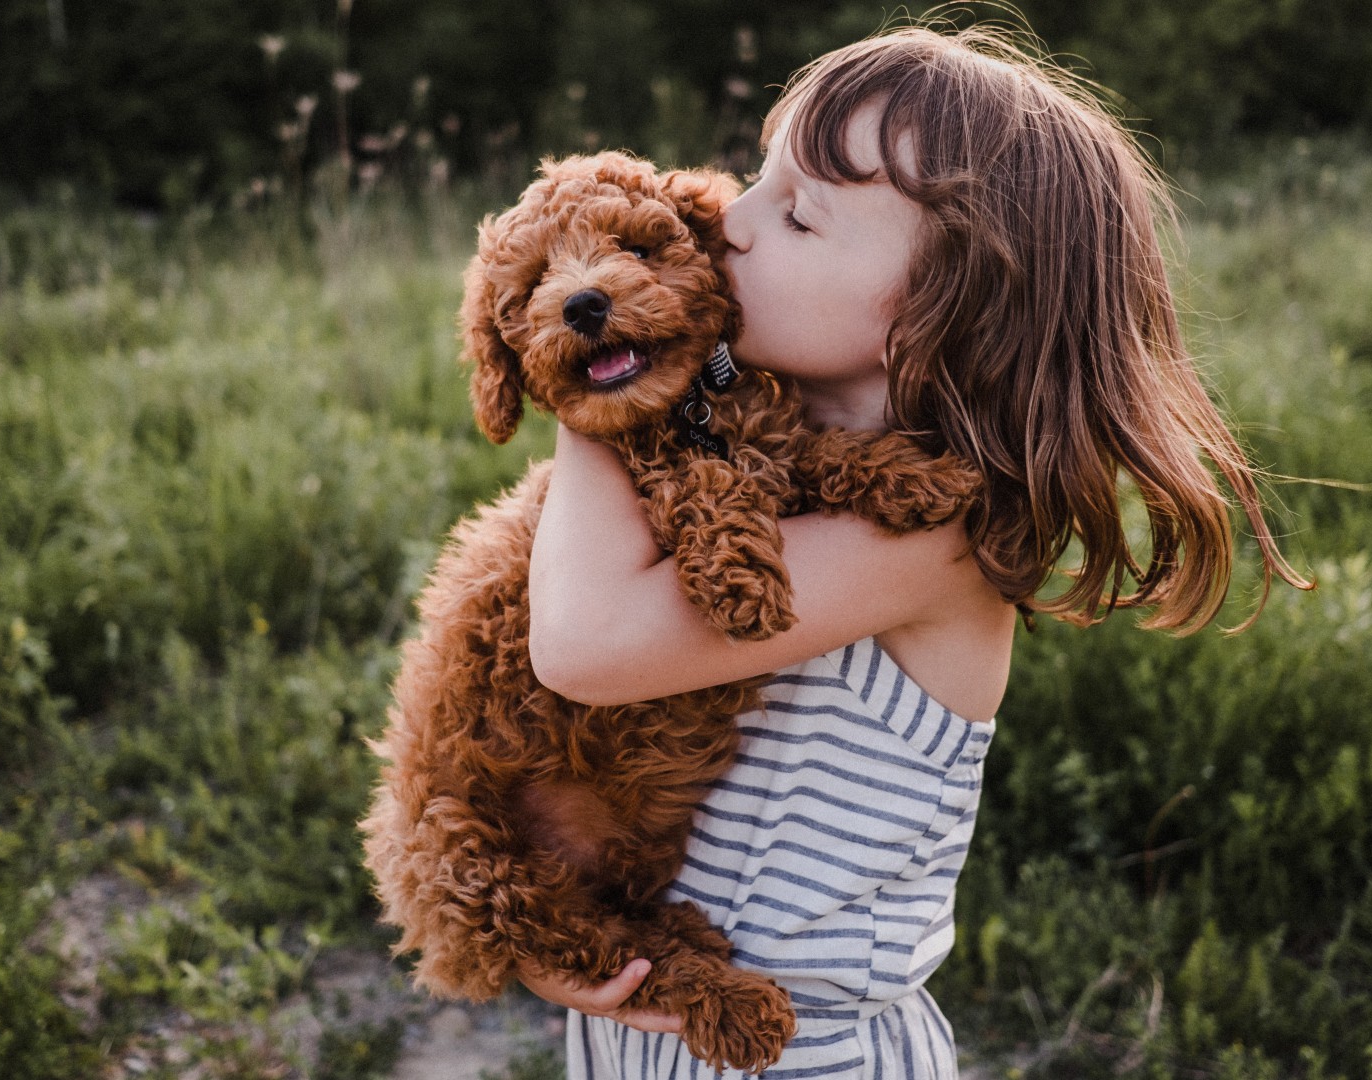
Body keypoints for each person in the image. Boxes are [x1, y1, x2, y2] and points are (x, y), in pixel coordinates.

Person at [519, 23, 1308, 1078]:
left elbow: (583, 645)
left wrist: (592, 377)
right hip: (653, 1031)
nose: (726, 223)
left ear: (938, 314)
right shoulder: (755, 467)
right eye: (758, 178)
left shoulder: (930, 539)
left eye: (795, 213)